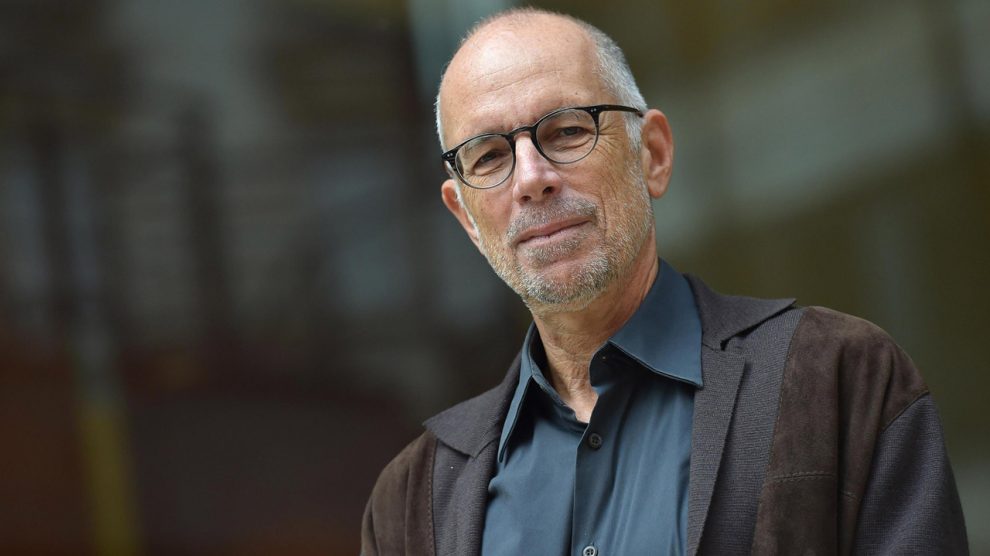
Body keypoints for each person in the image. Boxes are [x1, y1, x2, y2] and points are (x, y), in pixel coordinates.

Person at [361, 8, 968, 555]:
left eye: (568, 131)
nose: (530, 179)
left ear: (651, 153)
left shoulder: (839, 379)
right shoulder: (408, 506)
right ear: (466, 218)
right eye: (489, 156)